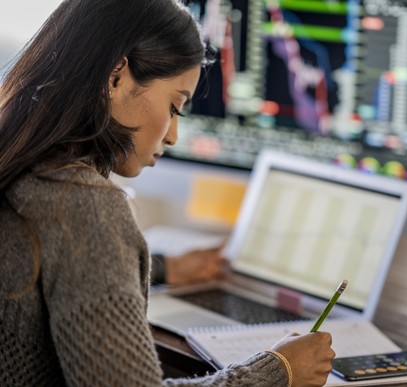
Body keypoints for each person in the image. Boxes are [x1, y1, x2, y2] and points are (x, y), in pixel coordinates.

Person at [0, 0, 335, 386]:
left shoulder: (20, 167)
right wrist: (280, 370)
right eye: (175, 106)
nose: (173, 135)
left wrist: (162, 267)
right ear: (116, 78)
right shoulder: (84, 207)